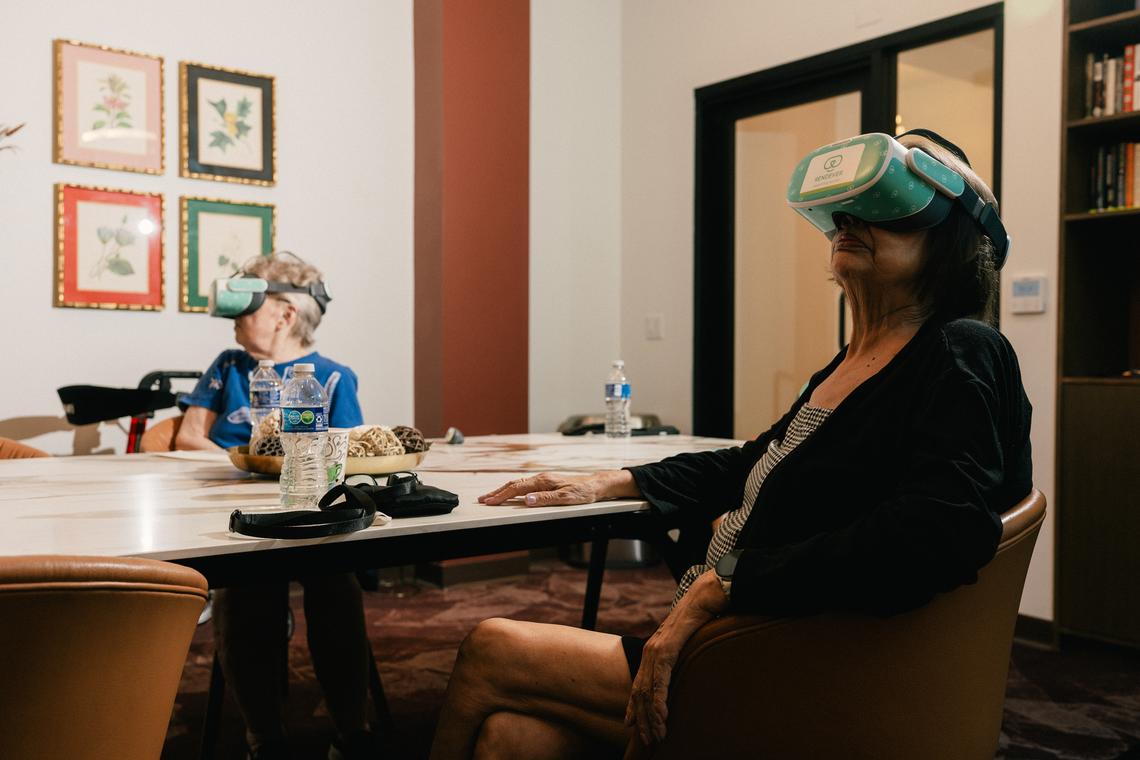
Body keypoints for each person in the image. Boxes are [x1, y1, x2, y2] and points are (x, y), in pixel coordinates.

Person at [428, 130, 1033, 759]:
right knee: (512, 740)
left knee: (490, 648)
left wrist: (727, 584)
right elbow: (761, 458)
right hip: (747, 631)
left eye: (889, 208)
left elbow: (938, 532)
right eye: (844, 211)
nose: (849, 220)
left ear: (952, 239)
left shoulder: (961, 351)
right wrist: (616, 481)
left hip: (794, 657)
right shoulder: (856, 359)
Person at [177, 252, 377, 760]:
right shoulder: (230, 367)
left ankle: (352, 727)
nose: (235, 322)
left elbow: (343, 448)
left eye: (247, 307)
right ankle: (263, 736)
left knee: (336, 583)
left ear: (284, 314)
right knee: (246, 590)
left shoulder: (332, 377)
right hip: (234, 509)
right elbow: (187, 438)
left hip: (309, 506)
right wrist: (244, 457)